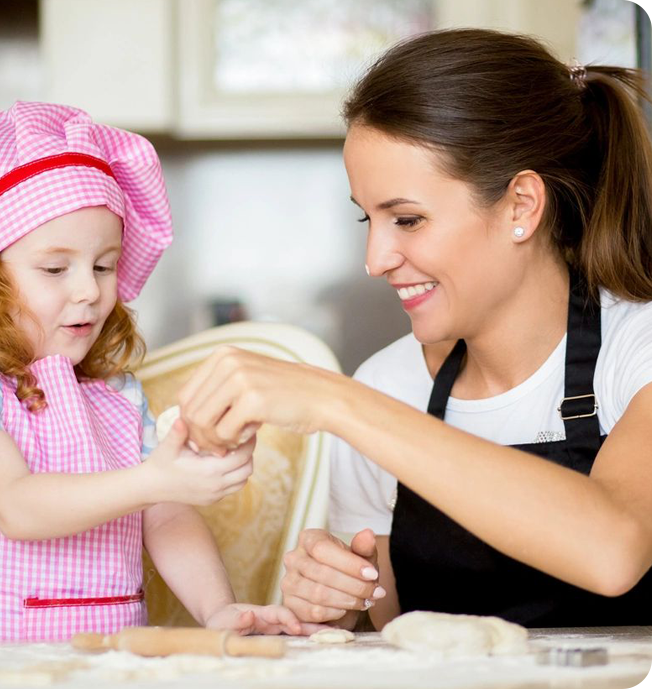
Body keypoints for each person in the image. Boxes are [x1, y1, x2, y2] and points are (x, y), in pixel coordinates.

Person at [177, 28, 652, 629]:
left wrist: (337, 400)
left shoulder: (637, 351)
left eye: (407, 219)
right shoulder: (388, 382)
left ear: (521, 207)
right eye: (368, 219)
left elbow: (614, 550)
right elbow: (398, 630)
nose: (375, 260)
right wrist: (337, 603)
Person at [0, 101, 312, 643]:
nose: (90, 290)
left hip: (116, 662)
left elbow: (167, 517)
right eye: (55, 268)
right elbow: (15, 505)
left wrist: (219, 612)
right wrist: (153, 479)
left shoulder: (116, 393)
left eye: (104, 265)